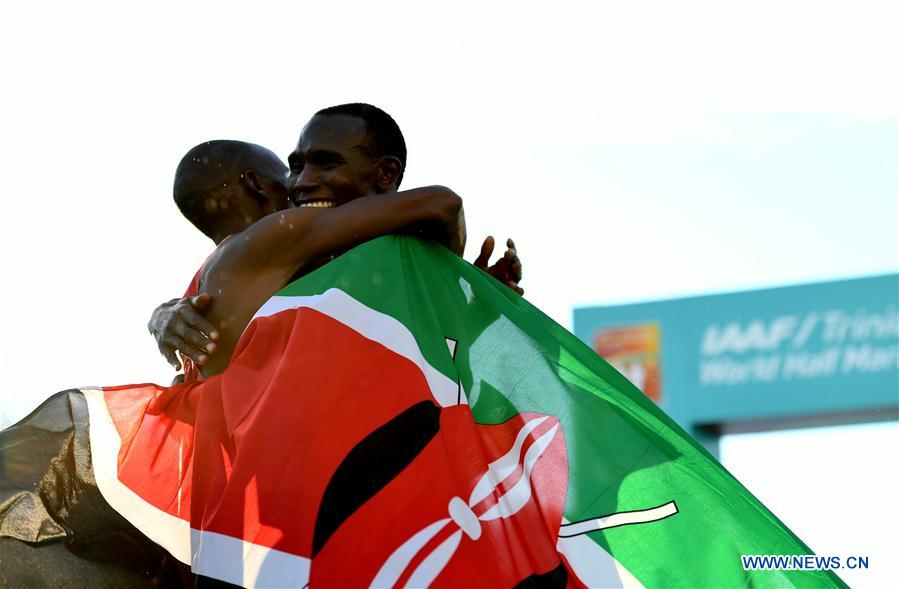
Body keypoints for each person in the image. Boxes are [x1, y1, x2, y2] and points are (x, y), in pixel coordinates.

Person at [148, 103, 522, 375]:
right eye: (293, 168)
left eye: (324, 163)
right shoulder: (270, 242)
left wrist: (462, 304)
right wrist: (450, 275)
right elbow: (443, 205)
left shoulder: (328, 276)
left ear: (385, 173)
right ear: (255, 185)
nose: (300, 183)